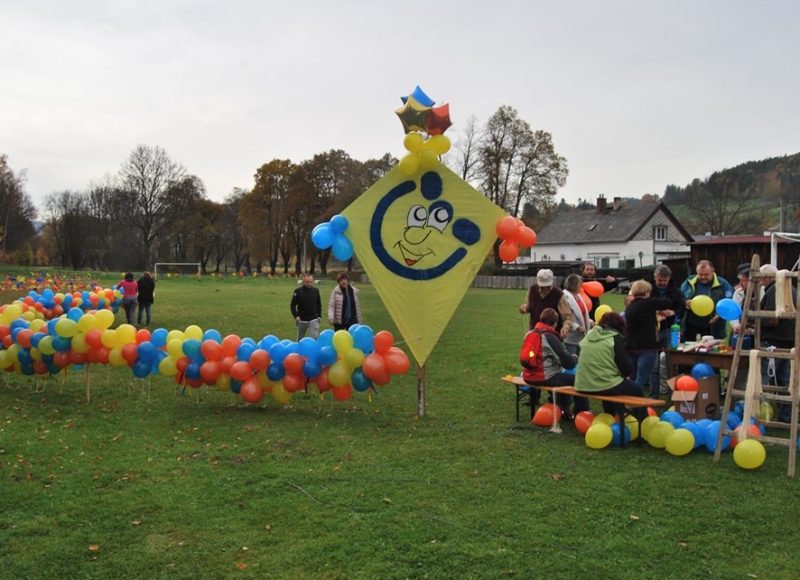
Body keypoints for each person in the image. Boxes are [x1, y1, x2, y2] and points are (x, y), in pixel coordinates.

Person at [574, 311, 646, 419]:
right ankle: (642, 421)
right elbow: (625, 369)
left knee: (607, 384)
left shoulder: (587, 336)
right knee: (637, 390)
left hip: (583, 384)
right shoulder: (614, 339)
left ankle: (610, 415)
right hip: (604, 384)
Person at [520, 308, 579, 418]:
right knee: (576, 380)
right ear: (555, 323)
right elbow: (568, 363)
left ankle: (561, 406)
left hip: (527, 376)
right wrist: (574, 358)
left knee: (561, 376)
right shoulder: (550, 337)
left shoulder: (529, 334)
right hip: (542, 377)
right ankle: (578, 410)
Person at [758, 264, 796, 423]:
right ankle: (786, 417)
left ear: (767, 278)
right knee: (784, 382)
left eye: (761, 279)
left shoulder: (775, 290)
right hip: (789, 341)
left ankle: (758, 416)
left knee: (762, 381)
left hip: (773, 341)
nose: (760, 282)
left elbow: (773, 319)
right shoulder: (792, 289)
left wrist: (756, 322)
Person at [624, 280, 675, 398]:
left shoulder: (630, 307)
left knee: (634, 377)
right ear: (646, 292)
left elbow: (642, 317)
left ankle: (630, 402)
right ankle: (635, 405)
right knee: (641, 379)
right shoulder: (648, 303)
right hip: (647, 347)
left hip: (631, 347)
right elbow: (668, 302)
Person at [650, 265, 686, 394]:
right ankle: (654, 395)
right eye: (660, 280)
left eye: (664, 281)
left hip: (671, 330)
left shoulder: (675, 292)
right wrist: (654, 312)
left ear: (669, 278)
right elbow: (641, 306)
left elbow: (681, 309)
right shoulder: (648, 290)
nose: (662, 283)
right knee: (654, 366)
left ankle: (673, 394)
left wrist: (673, 312)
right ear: (655, 278)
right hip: (652, 330)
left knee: (672, 363)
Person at [679, 260, 734, 341]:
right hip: (690, 326)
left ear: (713, 271)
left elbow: (730, 302)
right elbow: (679, 297)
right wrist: (685, 302)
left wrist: (720, 313)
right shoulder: (689, 281)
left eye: (706, 274)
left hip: (714, 328)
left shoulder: (723, 284)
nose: (703, 277)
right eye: (700, 274)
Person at [519, 269, 573, 338]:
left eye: (548, 286)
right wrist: (524, 308)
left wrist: (566, 327)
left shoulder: (559, 295)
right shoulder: (532, 290)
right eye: (542, 287)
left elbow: (567, 316)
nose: (545, 289)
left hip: (552, 337)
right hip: (535, 334)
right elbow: (528, 305)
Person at [562, 274, 591, 356]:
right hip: (572, 336)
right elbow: (565, 315)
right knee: (571, 361)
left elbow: (582, 313)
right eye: (579, 284)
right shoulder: (565, 297)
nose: (581, 286)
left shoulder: (578, 296)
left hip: (582, 335)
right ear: (574, 284)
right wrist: (576, 327)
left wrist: (589, 321)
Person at [290, 274, 322, 341]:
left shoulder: (316, 291)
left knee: (315, 337)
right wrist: (296, 316)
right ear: (303, 282)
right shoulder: (297, 291)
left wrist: (319, 316)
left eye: (311, 282)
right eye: (307, 282)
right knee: (300, 339)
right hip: (302, 319)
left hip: (313, 319)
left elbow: (318, 304)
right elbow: (292, 305)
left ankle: (314, 350)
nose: (309, 284)